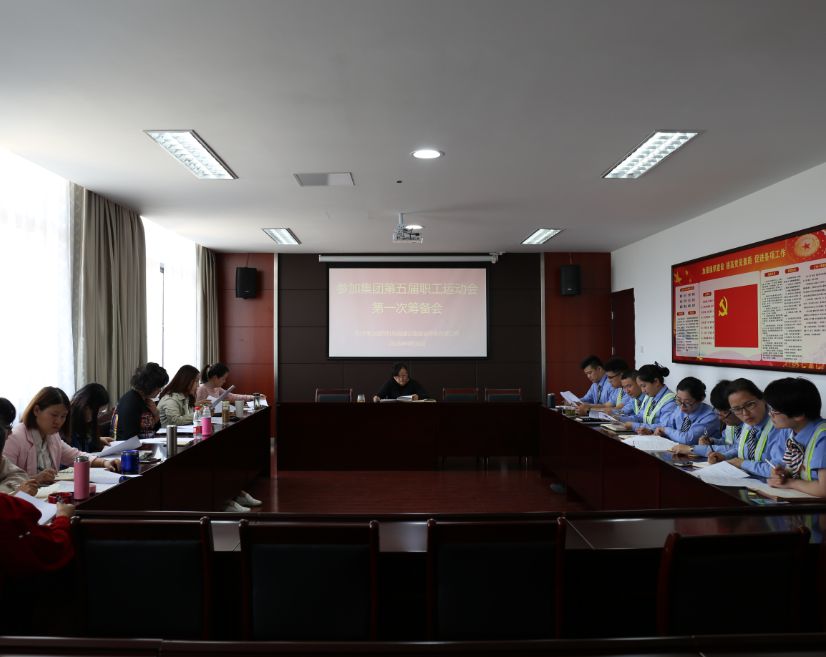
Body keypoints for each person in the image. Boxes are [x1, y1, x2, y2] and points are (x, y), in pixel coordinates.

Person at [3, 387, 118, 485]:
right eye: (54, 415)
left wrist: (104, 462)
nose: (58, 421)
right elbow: (4, 483)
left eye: (63, 416)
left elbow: (75, 456)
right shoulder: (14, 437)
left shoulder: (52, 436)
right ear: (36, 410)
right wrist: (35, 479)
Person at [706, 378, 785, 478]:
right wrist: (725, 456)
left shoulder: (780, 425)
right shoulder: (748, 422)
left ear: (763, 399)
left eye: (750, 405)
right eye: (736, 409)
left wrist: (741, 463)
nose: (745, 413)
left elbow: (776, 470)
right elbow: (742, 447)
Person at [764, 377, 826, 496]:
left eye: (774, 410)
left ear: (798, 414)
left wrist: (790, 483)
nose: (770, 414)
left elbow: (824, 489)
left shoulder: (823, 438)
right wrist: (784, 474)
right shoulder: (792, 431)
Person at [672, 379, 743, 457]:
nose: (720, 418)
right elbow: (726, 441)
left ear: (737, 408)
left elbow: (737, 449)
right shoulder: (731, 422)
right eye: (718, 412)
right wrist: (713, 441)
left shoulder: (748, 426)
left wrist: (693, 449)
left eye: (725, 412)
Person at [653, 377, 720, 445]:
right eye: (679, 400)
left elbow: (687, 439)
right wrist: (651, 429)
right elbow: (666, 424)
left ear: (700, 399)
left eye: (687, 403)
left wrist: (665, 430)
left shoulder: (711, 416)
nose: (682, 407)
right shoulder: (680, 408)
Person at [111, 362, 169, 440]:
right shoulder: (131, 402)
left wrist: (156, 414)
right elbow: (129, 437)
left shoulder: (144, 400)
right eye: (159, 387)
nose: (160, 390)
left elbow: (154, 430)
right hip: (129, 446)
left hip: (145, 444)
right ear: (150, 385)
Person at [621, 363, 676, 434]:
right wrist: (620, 419)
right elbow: (640, 417)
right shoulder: (650, 396)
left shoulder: (670, 401)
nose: (642, 390)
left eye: (644, 386)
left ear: (656, 382)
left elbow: (664, 426)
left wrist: (634, 425)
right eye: (640, 387)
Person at [0, 398, 37, 496]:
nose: (10, 433)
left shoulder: (53, 436)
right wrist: (14, 494)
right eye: (8, 427)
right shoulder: (18, 434)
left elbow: (19, 475)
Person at [68, 383, 112, 452]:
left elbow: (85, 444)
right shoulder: (67, 423)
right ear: (85, 406)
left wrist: (98, 440)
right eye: (97, 412)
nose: (97, 416)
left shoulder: (84, 423)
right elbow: (76, 452)